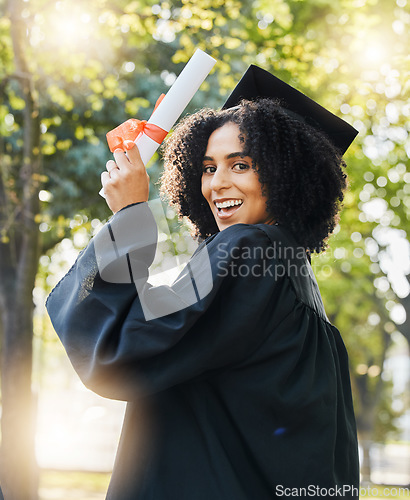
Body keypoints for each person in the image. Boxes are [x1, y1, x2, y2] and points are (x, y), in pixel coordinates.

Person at [46, 65, 360, 499]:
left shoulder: (251, 249)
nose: (217, 184)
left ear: (289, 175)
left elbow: (117, 350)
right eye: (208, 168)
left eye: (242, 165)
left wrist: (129, 218)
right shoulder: (294, 275)